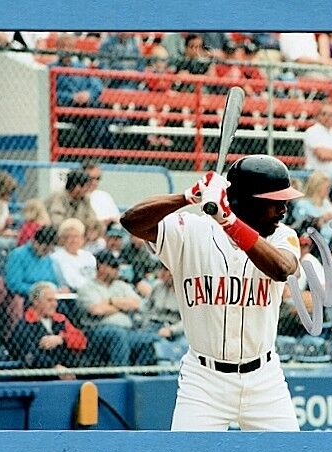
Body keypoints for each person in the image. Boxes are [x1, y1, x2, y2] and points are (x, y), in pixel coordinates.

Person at [121, 154, 304, 431]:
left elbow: (281, 269)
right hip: (204, 380)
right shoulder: (191, 232)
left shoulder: (282, 236)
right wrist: (186, 197)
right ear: (247, 201)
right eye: (275, 203)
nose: (283, 210)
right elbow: (131, 222)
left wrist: (229, 220)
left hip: (264, 379)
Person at [0, 226, 66, 338]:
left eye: (49, 250)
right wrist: (39, 291)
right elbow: (14, 283)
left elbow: (53, 281)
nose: (46, 253)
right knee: (16, 300)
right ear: (35, 243)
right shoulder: (18, 255)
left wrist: (57, 289)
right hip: (24, 296)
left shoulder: (47, 259)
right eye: (44, 249)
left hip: (47, 296)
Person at [77, 249, 158, 366]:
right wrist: (123, 306)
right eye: (113, 266)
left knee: (148, 339)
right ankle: (122, 374)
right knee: (118, 334)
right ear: (101, 267)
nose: (117, 270)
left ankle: (139, 378)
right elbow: (97, 310)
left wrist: (111, 301)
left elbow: (137, 304)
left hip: (128, 330)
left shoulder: (121, 285)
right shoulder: (87, 288)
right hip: (98, 330)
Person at [10, 281, 87, 371]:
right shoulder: (24, 325)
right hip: (41, 375)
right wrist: (54, 367)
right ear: (36, 302)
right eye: (49, 300)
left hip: (68, 367)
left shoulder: (60, 319)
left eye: (55, 300)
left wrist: (61, 339)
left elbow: (81, 340)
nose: (54, 304)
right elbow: (29, 356)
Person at [50, 218, 97, 292]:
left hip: (91, 291)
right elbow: (70, 282)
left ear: (82, 238)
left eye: (76, 236)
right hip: (71, 293)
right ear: (63, 239)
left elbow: (93, 277)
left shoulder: (89, 256)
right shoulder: (57, 257)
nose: (74, 240)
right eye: (70, 237)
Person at [290, 171, 332, 242]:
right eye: (326, 188)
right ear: (317, 187)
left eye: (329, 188)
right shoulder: (303, 204)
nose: (328, 191)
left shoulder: (327, 204)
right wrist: (321, 219)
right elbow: (300, 223)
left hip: (330, 240)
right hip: (311, 240)